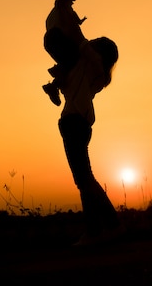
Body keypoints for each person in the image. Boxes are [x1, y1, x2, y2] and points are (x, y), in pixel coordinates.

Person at [58, 36, 123, 245]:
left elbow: (81, 43)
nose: (89, 42)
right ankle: (97, 230)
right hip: (72, 122)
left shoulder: (94, 68)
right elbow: (69, 90)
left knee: (85, 180)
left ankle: (109, 226)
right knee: (84, 181)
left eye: (94, 42)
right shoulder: (86, 70)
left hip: (75, 122)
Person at [42, 0, 88, 106]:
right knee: (76, 58)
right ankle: (56, 79)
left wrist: (79, 21)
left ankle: (55, 85)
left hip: (53, 40)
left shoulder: (67, 8)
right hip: (55, 38)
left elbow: (73, 18)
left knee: (73, 63)